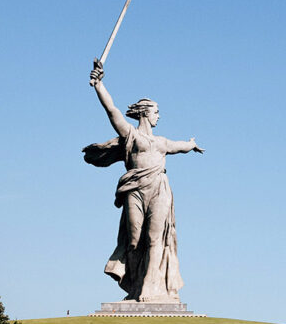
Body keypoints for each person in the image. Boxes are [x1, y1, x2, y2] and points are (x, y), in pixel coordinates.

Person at [83, 60, 203, 302]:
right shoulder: (132, 136)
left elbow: (181, 146)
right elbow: (112, 111)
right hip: (135, 191)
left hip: (159, 189)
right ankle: (136, 287)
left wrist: (191, 144)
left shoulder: (161, 142)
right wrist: (99, 85)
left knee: (155, 238)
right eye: (156, 112)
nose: (159, 116)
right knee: (135, 240)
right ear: (146, 113)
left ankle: (150, 287)